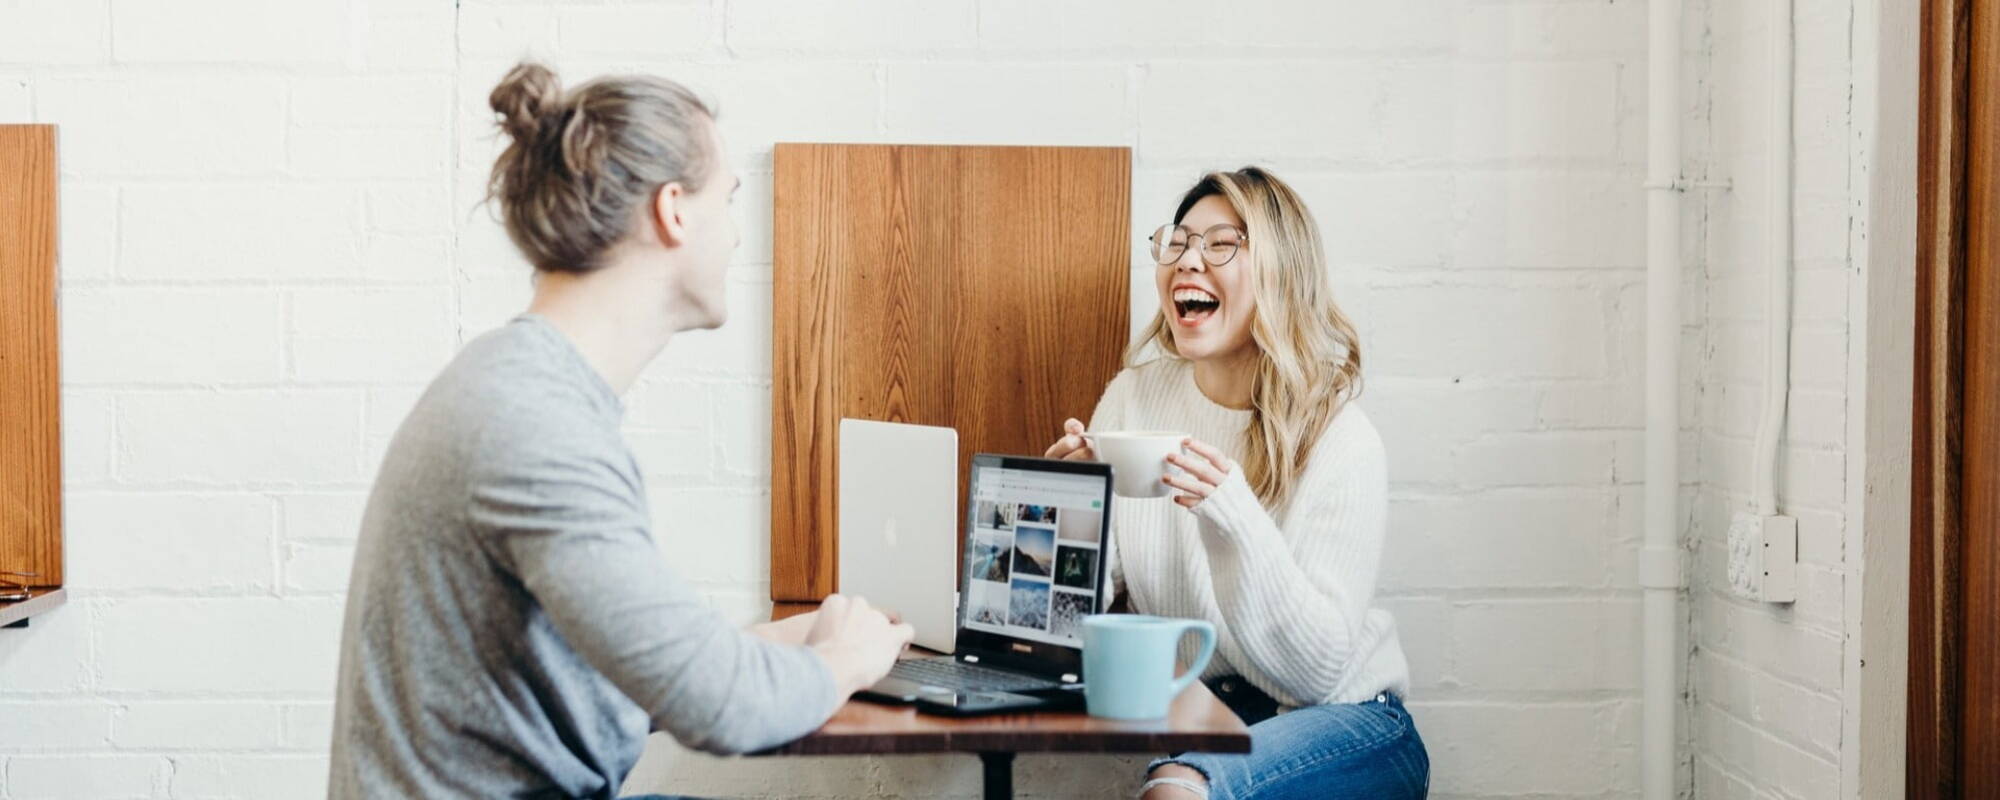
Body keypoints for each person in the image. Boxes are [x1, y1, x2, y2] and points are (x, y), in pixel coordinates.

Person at [328, 62, 912, 799]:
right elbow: (723, 709)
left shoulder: (521, 387)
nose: (736, 236)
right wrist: (843, 663)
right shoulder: (534, 428)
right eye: (728, 202)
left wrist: (789, 644)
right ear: (673, 211)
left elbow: (630, 670)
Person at [1045, 168, 1429, 799]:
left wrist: (1234, 520)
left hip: (1349, 723)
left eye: (1222, 243)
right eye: (1179, 241)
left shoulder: (1337, 434)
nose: (1188, 260)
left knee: (1177, 790)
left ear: (1280, 273)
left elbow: (1315, 675)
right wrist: (1066, 511)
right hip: (1207, 719)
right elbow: (1079, 606)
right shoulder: (1134, 398)